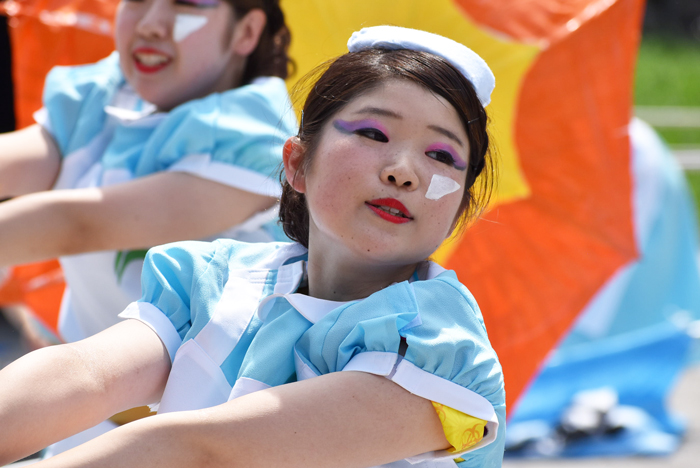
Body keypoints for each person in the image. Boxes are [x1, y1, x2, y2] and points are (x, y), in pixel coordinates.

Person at [0, 26, 505, 468]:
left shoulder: (441, 348)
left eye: (441, 155)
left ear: (460, 205)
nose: (404, 171)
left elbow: (203, 451)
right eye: (373, 132)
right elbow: (87, 374)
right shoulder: (216, 282)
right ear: (297, 164)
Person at [0, 0, 297, 344]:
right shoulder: (107, 91)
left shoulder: (255, 133)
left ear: (246, 31)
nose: (150, 25)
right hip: (95, 379)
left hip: (219, 394)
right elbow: (25, 156)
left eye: (186, 2)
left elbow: (80, 224)